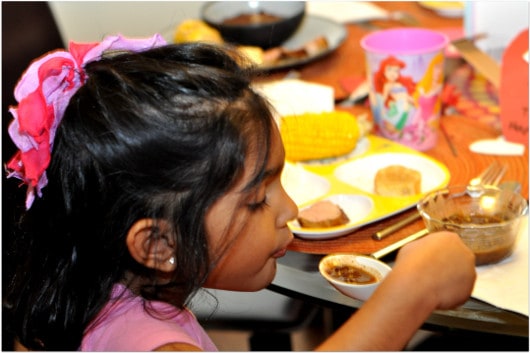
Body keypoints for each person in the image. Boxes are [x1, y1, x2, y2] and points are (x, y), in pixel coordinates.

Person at [3, 33, 476, 351]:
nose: (289, 208)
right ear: (158, 245)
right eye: (257, 199)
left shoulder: (97, 283)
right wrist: (415, 289)